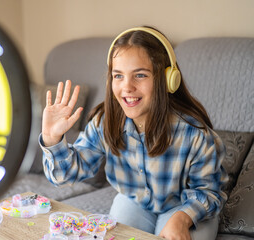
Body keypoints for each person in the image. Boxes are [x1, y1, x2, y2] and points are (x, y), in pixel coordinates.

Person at [39, 26, 228, 240]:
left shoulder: (195, 133)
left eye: (139, 75)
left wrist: (182, 218)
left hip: (185, 207)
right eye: (118, 76)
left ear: (168, 79)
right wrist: (52, 139)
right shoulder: (104, 122)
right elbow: (66, 174)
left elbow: (209, 192)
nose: (127, 87)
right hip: (134, 202)